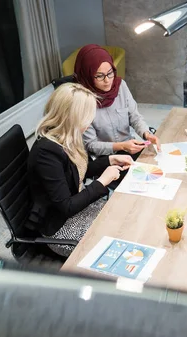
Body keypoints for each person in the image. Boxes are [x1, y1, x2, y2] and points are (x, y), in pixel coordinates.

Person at [26, 82, 134, 257]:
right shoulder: (46, 153)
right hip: (60, 228)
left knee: (127, 217)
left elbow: (77, 171)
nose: (90, 121)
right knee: (120, 239)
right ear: (71, 118)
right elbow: (67, 207)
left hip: (76, 209)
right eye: (87, 116)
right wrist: (103, 181)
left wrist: (110, 159)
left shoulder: (66, 136)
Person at [74, 44, 160, 158]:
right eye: (99, 76)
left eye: (110, 73)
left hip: (129, 149)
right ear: (88, 76)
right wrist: (121, 146)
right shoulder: (81, 100)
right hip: (104, 158)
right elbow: (91, 144)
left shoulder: (120, 86)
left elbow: (134, 116)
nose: (107, 80)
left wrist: (147, 134)